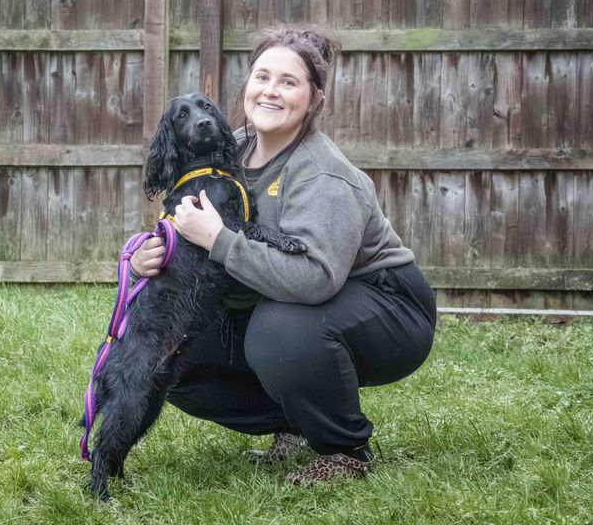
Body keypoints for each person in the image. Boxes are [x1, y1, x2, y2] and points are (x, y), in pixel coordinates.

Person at [130, 25, 437, 484]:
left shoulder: (323, 175)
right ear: (247, 85)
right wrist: (145, 255)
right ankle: (296, 423)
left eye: (288, 82)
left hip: (386, 305)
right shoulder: (227, 145)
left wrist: (219, 240)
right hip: (289, 296)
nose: (271, 91)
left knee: (280, 331)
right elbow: (184, 225)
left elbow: (314, 279)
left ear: (314, 99)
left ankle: (343, 449)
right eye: (262, 77)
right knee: (169, 350)